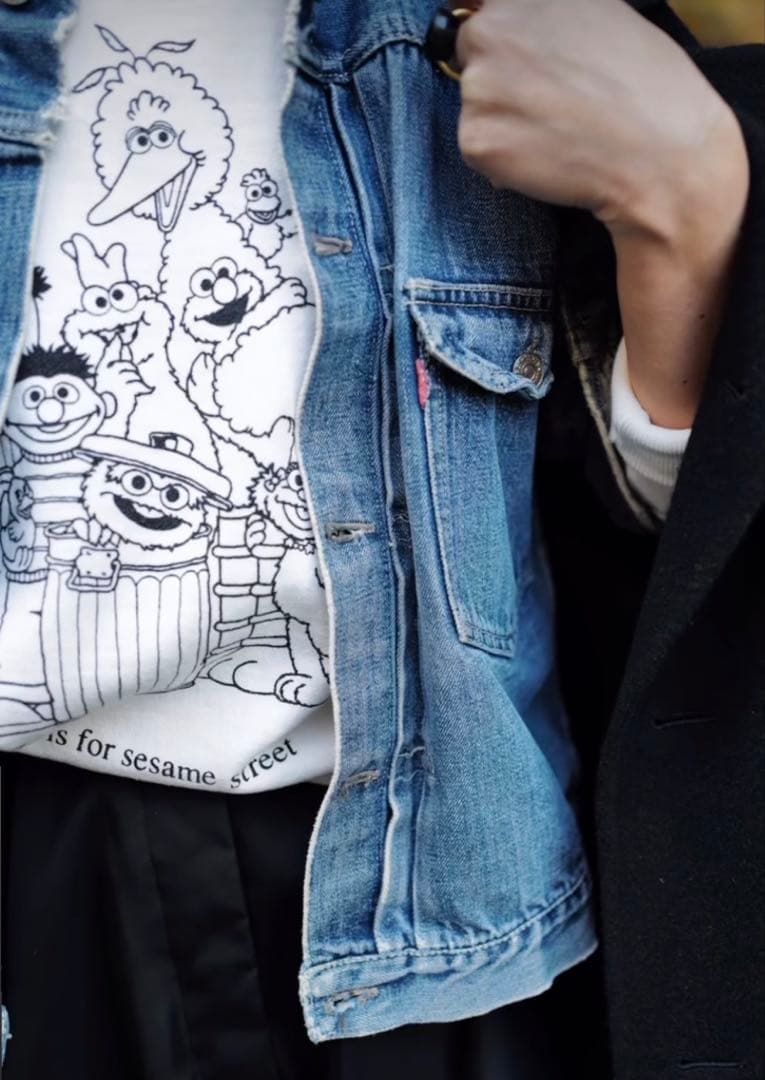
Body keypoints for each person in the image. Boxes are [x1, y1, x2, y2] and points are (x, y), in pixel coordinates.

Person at [0, 1, 761, 1077]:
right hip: (41, 870)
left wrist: (683, 196)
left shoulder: (490, 32)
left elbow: (673, 538)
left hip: (444, 876)